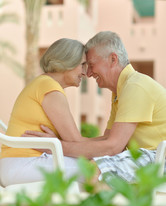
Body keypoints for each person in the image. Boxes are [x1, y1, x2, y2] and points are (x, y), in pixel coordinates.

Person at [25, 31, 166, 184]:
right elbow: (106, 140)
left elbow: (113, 147)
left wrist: (56, 147)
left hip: (159, 157)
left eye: (91, 65)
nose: (89, 73)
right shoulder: (121, 91)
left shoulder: (135, 86)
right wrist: (56, 144)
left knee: (95, 169)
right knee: (93, 165)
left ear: (113, 59)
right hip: (150, 155)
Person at [0, 38, 91, 187]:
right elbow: (77, 143)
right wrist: (111, 146)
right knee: (97, 169)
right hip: (22, 164)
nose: (85, 73)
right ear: (68, 61)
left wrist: (108, 142)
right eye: (82, 65)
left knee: (94, 166)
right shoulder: (50, 88)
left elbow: (74, 143)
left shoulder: (45, 84)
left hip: (17, 164)